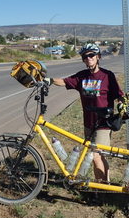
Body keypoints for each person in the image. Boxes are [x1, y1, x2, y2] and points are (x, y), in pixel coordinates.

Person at [46, 43, 124, 182]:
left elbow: (118, 94)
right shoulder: (82, 76)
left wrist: (122, 103)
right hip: (89, 123)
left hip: (104, 124)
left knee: (95, 155)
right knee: (96, 156)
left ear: (98, 57)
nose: (88, 58)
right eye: (85, 56)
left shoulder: (107, 76)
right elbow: (64, 82)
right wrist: (49, 80)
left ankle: (102, 188)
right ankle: (104, 184)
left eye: (91, 55)